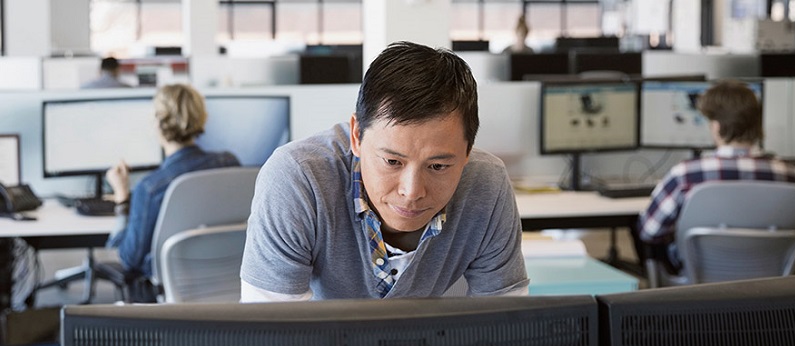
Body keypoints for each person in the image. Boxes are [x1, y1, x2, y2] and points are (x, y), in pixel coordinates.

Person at [240, 41, 529, 302]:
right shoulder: (298, 178)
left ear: (468, 152)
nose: (412, 191)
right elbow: (272, 341)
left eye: (438, 166)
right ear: (357, 136)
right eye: (392, 162)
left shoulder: (487, 185)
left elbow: (506, 331)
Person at [636, 79, 795, 272]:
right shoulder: (790, 176)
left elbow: (649, 230)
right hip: (770, 286)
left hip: (700, 287)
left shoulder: (685, 175)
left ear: (716, 126)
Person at [106, 84, 240, 284]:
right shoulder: (230, 163)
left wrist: (122, 198)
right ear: (201, 117)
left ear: (158, 123)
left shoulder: (151, 188)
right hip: (226, 282)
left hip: (172, 291)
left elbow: (128, 259)